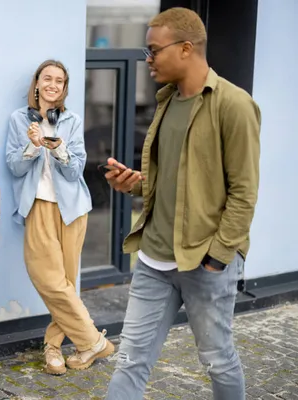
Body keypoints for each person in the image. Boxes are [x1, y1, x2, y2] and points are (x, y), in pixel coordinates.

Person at [104, 8, 260, 400]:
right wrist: (137, 184)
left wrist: (218, 257)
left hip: (205, 262)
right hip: (154, 259)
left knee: (218, 361)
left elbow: (244, 192)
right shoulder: (167, 102)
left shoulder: (234, 105)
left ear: (186, 48)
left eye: (154, 50)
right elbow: (179, 179)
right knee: (130, 362)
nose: (148, 58)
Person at [5, 60, 114, 376]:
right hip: (38, 206)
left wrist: (59, 149)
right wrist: (31, 145)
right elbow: (14, 166)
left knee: (65, 283)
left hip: (72, 210)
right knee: (50, 280)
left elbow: (76, 169)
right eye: (47, 78)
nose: (53, 84)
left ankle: (53, 347)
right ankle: (92, 340)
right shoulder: (18, 120)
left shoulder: (72, 121)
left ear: (64, 88)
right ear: (36, 83)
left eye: (59, 81)